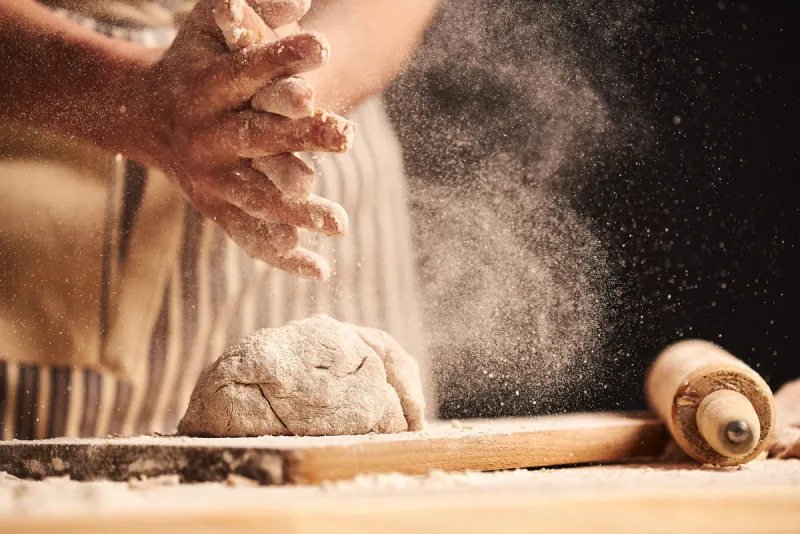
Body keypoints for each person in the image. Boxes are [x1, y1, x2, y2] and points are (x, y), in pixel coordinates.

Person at [0, 0, 438, 439]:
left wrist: (296, 91)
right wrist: (130, 94)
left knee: (365, 489)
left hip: (321, 142)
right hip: (52, 124)